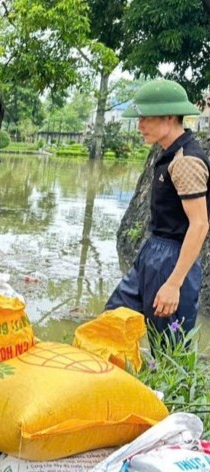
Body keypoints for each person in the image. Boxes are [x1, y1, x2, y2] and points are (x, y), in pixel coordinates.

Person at [106, 79, 209, 336]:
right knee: (111, 322)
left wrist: (174, 283)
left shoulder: (186, 160)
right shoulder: (168, 154)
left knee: (168, 348)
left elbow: (200, 224)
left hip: (174, 258)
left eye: (145, 118)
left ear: (169, 116)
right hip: (152, 251)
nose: (139, 126)